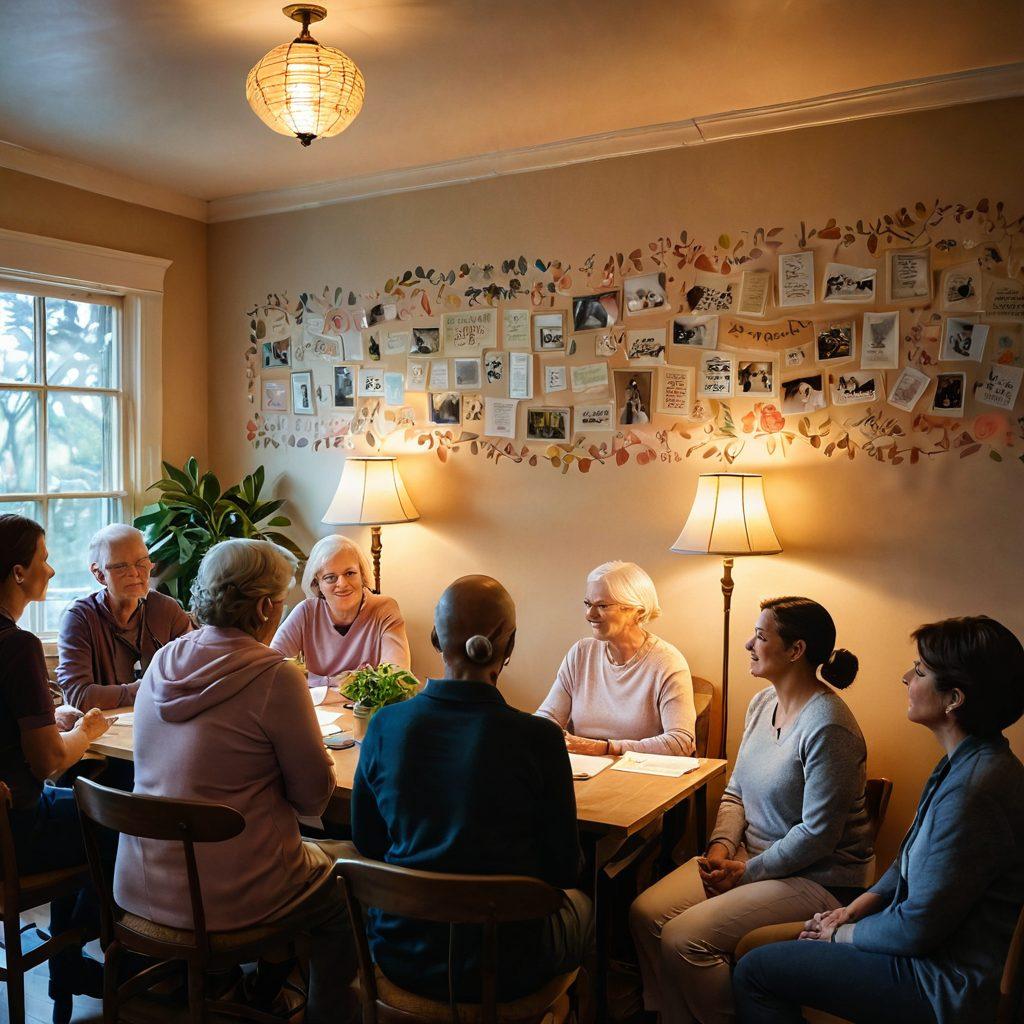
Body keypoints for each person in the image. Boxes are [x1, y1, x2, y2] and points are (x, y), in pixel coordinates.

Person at [734, 615, 1024, 1024]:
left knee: (755, 972)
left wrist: (840, 933)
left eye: (920, 670)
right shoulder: (968, 761)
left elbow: (915, 930)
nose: (907, 677)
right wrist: (855, 909)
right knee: (755, 950)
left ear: (954, 698)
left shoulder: (973, 792)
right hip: (917, 944)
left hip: (938, 980)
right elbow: (908, 858)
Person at [114, 539, 356, 1024]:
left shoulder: (163, 662)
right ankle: (309, 1006)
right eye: (282, 601)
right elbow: (313, 798)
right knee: (345, 881)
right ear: (266, 607)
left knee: (281, 850)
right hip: (227, 898)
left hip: (141, 885)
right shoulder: (275, 678)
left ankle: (263, 984)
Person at [629, 596, 873, 1024]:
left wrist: (747, 872)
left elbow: (818, 836)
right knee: (645, 913)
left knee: (685, 938)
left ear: (795, 650)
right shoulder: (762, 704)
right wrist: (722, 847)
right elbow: (736, 790)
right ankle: (672, 1015)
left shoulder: (829, 726)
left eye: (760, 636)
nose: (748, 644)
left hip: (818, 876)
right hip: (750, 859)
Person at [351, 575, 593, 1004]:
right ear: (510, 646)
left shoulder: (385, 724)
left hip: (402, 954)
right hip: (510, 967)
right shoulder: (539, 739)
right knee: (588, 905)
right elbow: (562, 871)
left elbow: (368, 842)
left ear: (433, 639)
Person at [0, 514, 114, 1024]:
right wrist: (85, 732)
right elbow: (47, 761)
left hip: (11, 810)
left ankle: (70, 958)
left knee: (99, 797)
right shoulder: (17, 645)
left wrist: (53, 719)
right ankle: (93, 955)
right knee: (122, 821)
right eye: (44, 559)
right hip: (15, 829)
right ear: (19, 571)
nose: (51, 569)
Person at [537, 561, 696, 756]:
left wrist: (607, 748)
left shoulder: (667, 662)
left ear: (636, 611)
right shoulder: (581, 653)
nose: (590, 614)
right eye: (588, 604)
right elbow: (546, 718)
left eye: (602, 605)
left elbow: (680, 743)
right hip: (584, 771)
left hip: (642, 778)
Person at [57, 524, 193, 710]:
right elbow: (79, 696)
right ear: (99, 574)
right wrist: (150, 688)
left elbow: (193, 674)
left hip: (160, 723)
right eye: (121, 566)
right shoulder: (80, 618)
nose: (135, 573)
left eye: (142, 562)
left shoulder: (166, 609)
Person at [270, 534, 410, 690]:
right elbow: (272, 668)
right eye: (330, 577)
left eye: (350, 573)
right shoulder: (306, 611)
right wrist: (334, 682)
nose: (342, 584)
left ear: (362, 574)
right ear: (317, 583)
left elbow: (397, 678)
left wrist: (317, 683)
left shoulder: (384, 609)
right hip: (319, 711)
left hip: (367, 711)